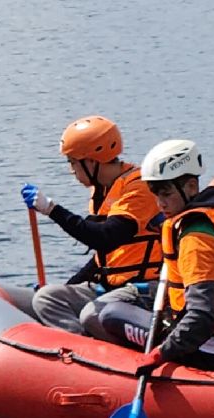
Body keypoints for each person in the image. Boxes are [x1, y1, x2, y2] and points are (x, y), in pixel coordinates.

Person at [90, 139, 214, 371]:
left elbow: (202, 319)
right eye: (155, 194)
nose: (160, 203)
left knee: (111, 314)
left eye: (166, 194)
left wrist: (160, 354)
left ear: (192, 187)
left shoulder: (196, 238)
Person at [22, 115, 161, 335]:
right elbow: (103, 257)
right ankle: (76, 353)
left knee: (92, 314)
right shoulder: (102, 190)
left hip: (144, 289)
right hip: (110, 286)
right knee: (45, 299)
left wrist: (52, 210)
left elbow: (105, 237)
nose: (71, 170)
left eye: (73, 162)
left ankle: (97, 357)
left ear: (92, 161)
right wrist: (70, 285)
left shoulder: (138, 189)